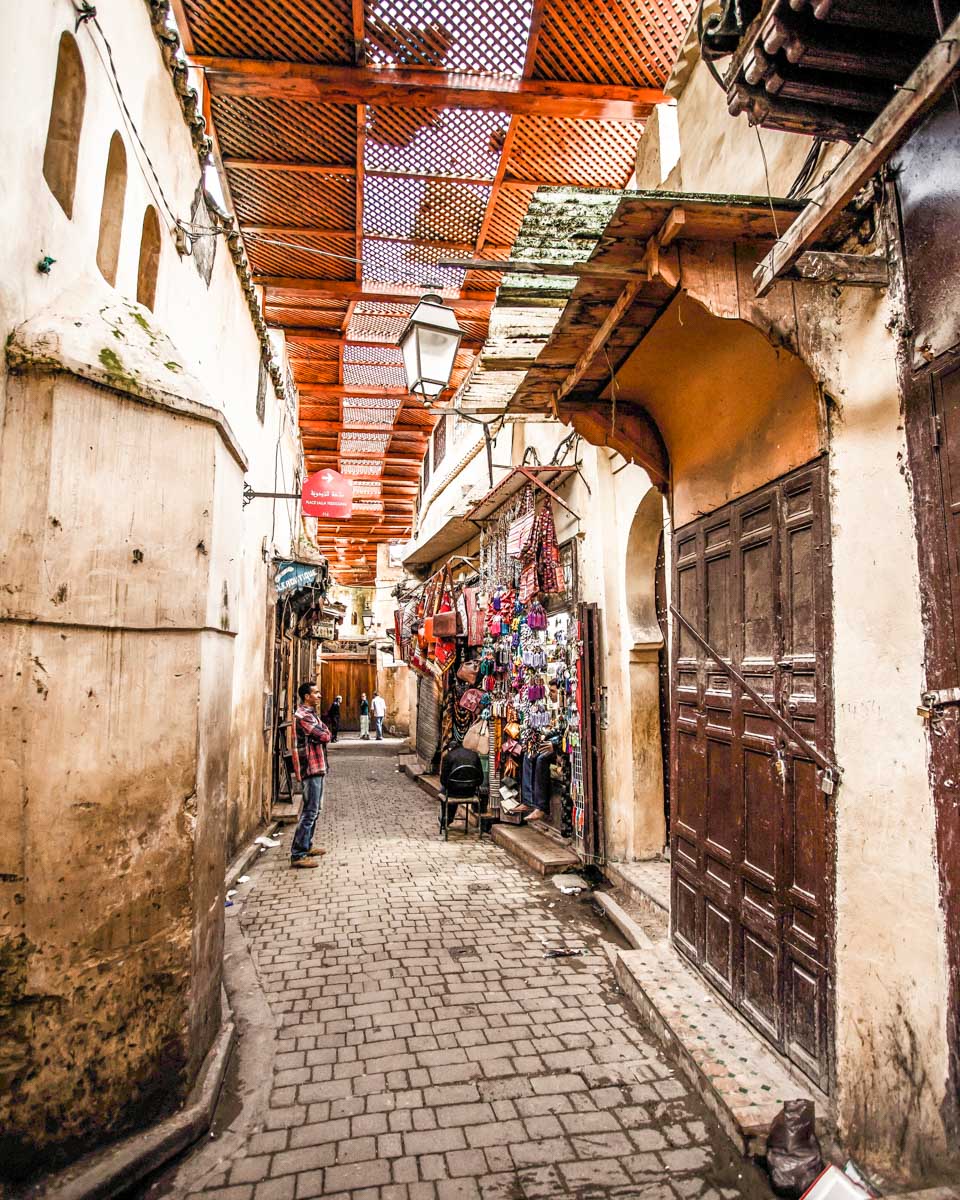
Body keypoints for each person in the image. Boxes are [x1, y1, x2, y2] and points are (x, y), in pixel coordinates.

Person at [291, 681, 331, 869]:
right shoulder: (304, 716)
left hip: (318, 765)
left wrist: (323, 732)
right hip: (311, 767)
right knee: (310, 811)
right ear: (307, 696)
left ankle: (307, 846)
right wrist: (323, 732)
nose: (319, 695)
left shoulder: (311, 714)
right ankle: (298, 854)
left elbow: (325, 731)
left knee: (316, 810)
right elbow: (324, 735)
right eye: (316, 693)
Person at [438, 741, 484, 836]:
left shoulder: (448, 756)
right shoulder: (474, 755)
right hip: (470, 792)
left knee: (444, 789)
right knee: (449, 787)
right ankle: (447, 818)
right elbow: (481, 779)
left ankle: (446, 818)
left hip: (453, 792)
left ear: (450, 749)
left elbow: (443, 780)